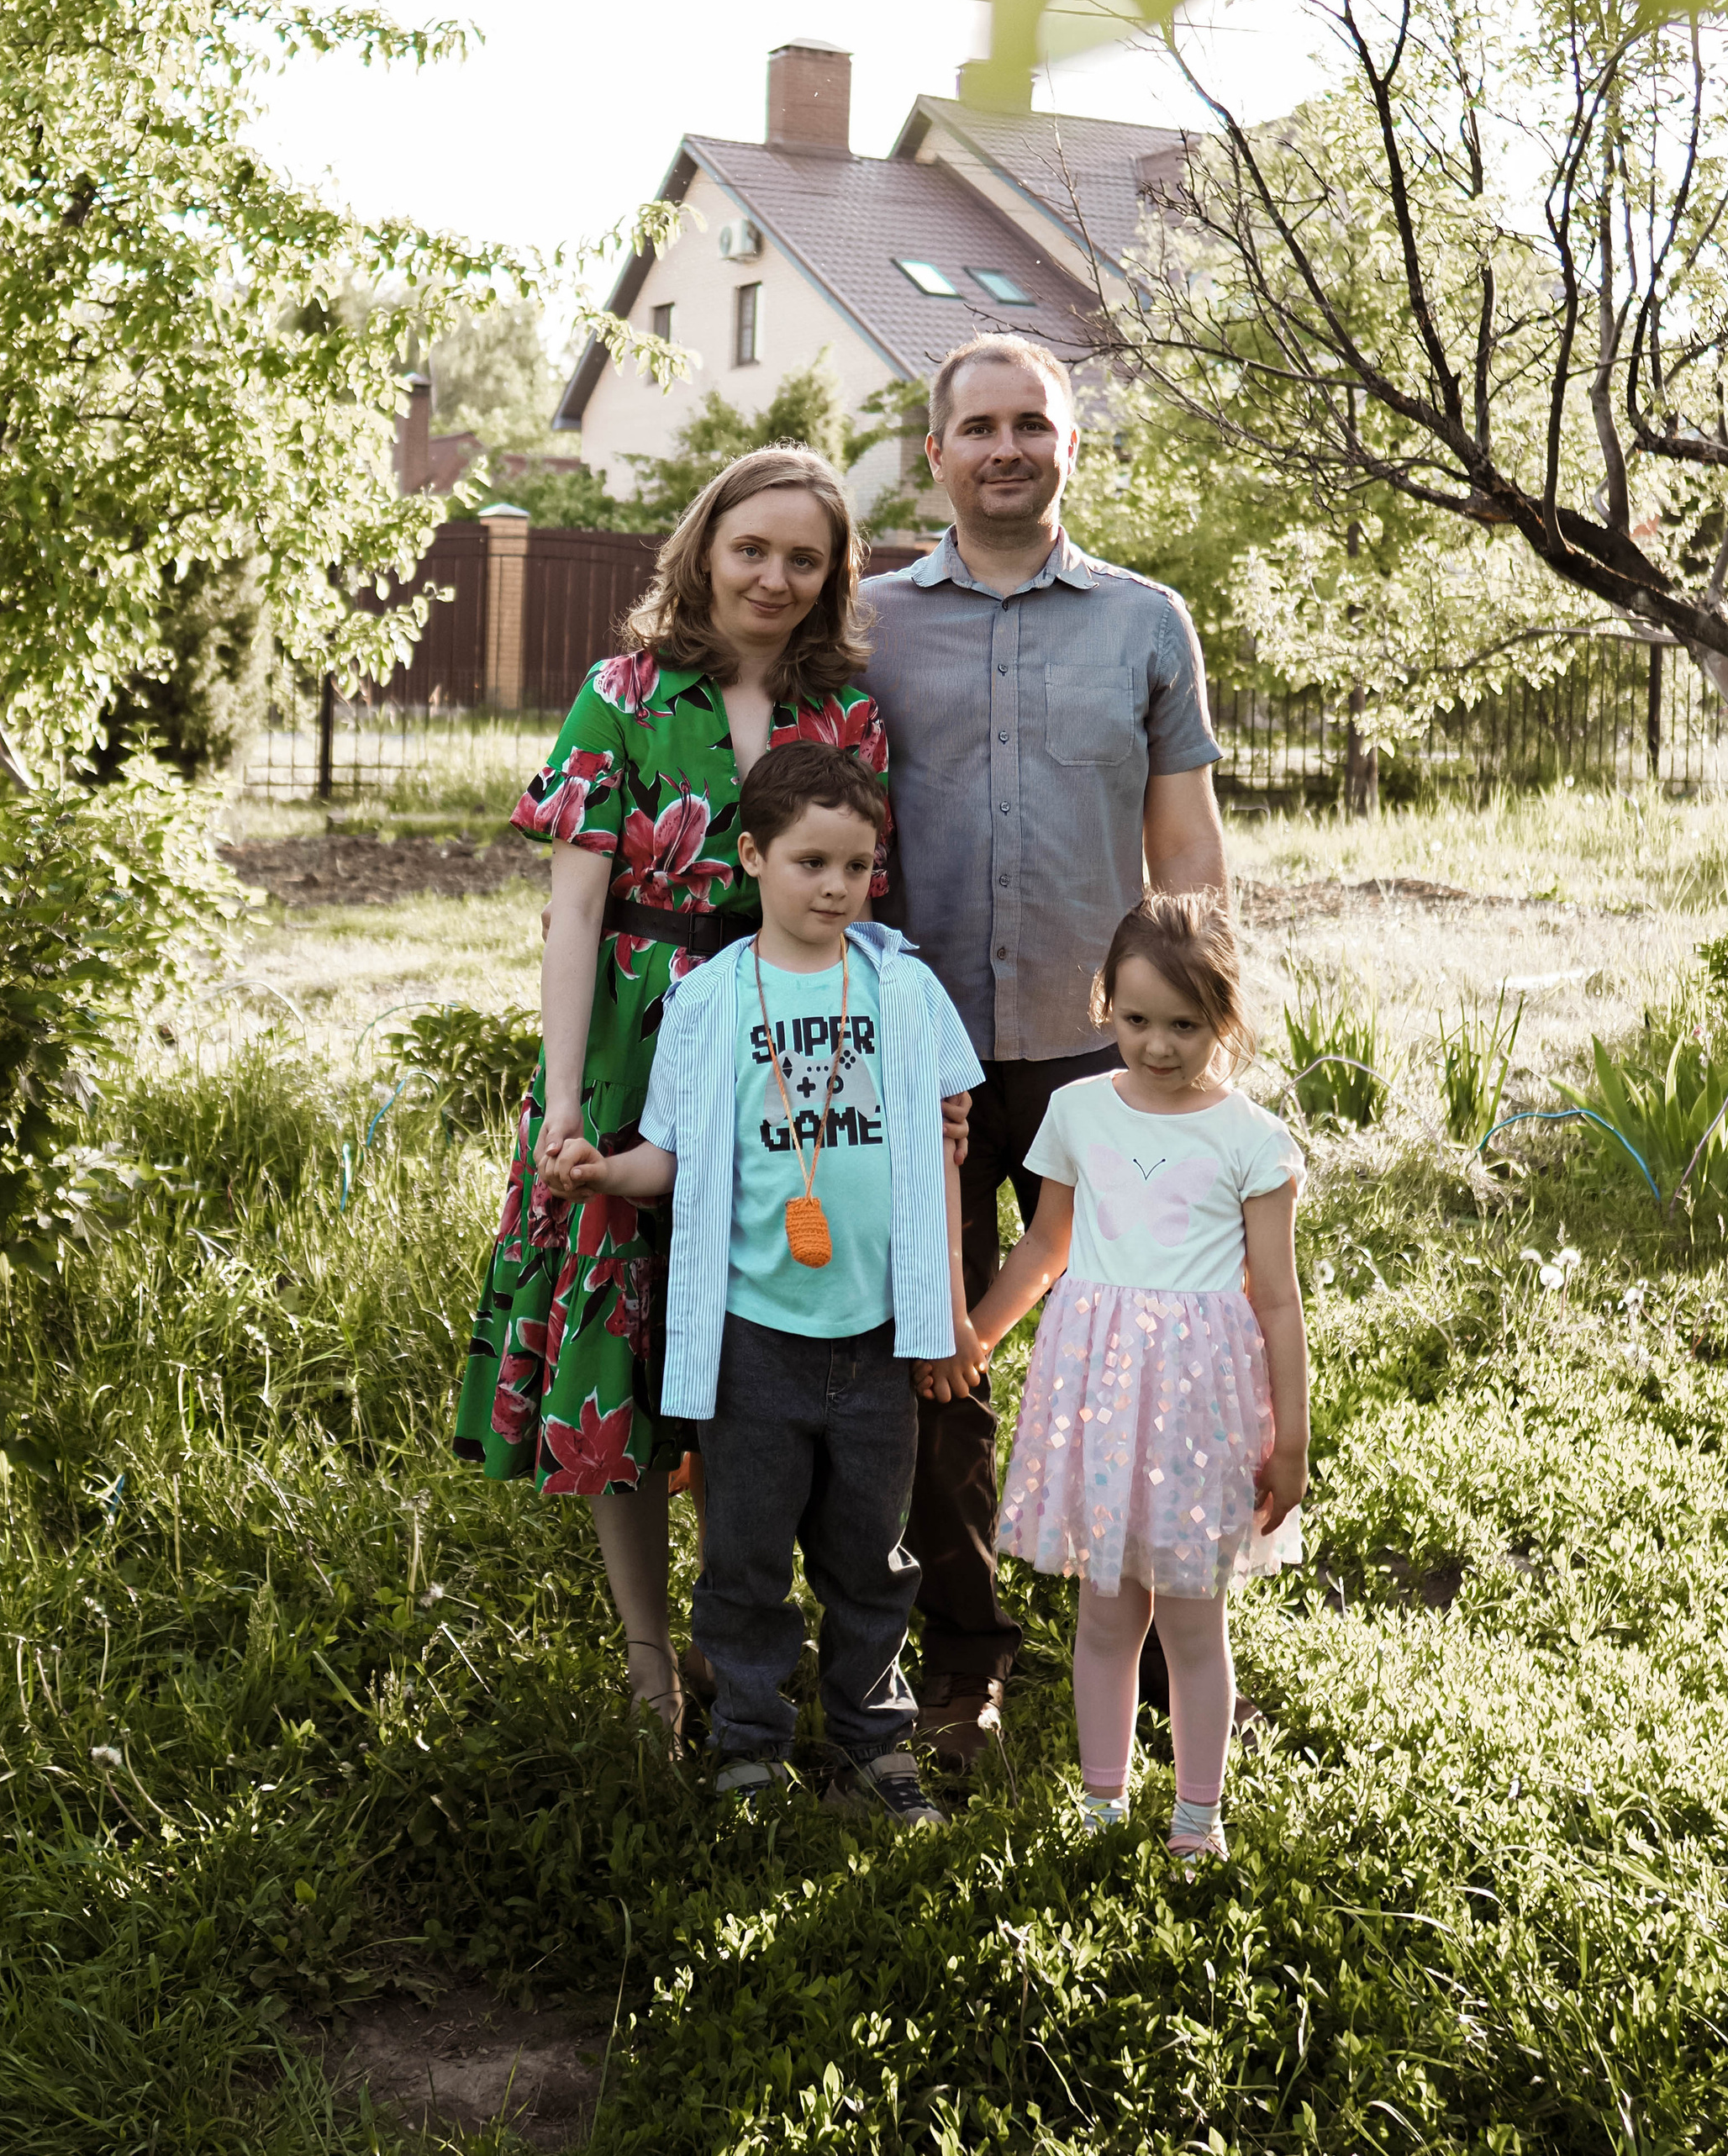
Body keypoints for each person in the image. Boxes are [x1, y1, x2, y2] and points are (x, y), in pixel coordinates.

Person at [452, 446, 891, 1739]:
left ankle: (742, 1630)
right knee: (624, 1342)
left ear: (831, 577)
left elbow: (864, 910)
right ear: (705, 547)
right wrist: (569, 1100)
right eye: (751, 547)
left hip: (785, 1046)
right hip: (634, 1046)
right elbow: (574, 910)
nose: (773, 575)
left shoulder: (849, 717)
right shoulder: (624, 693)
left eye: (803, 557)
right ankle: (652, 1662)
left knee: (750, 1335)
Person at [864, 331, 1230, 1772]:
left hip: (1105, 1055)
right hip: (921, 1054)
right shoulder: (872, 621)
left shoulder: (1147, 622)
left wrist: (1196, 1037)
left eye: (1035, 423)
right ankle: (968, 1660)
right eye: (980, 426)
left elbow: (1186, 834)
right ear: (936, 449)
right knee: (932, 1362)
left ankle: (1143, 1645)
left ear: (1070, 442)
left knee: (1134, 1344)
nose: (1007, 447)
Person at [556, 740, 984, 1823]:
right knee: (742, 1557)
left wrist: (940, 1320)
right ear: (750, 857)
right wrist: (606, 1169)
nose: (835, 886)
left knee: (868, 1557)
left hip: (877, 1331)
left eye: (856, 865)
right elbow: (672, 1160)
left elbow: (942, 1159)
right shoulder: (705, 1002)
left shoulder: (904, 990)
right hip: (752, 1333)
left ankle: (872, 1742)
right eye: (810, 862)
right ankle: (749, 1742)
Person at [921, 889, 1307, 1862]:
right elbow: (1045, 1244)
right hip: (1098, 1398)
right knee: (1104, 1611)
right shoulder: (1078, 1111)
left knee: (1188, 1617)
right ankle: (1101, 1802)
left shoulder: (1250, 1140)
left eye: (1185, 1024)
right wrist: (976, 1335)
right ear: (1105, 1005)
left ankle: (1196, 1817)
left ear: (1224, 1018)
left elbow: (1276, 1300)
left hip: (1197, 1412)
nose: (1159, 1044)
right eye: (1135, 1019)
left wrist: (1289, 1436)